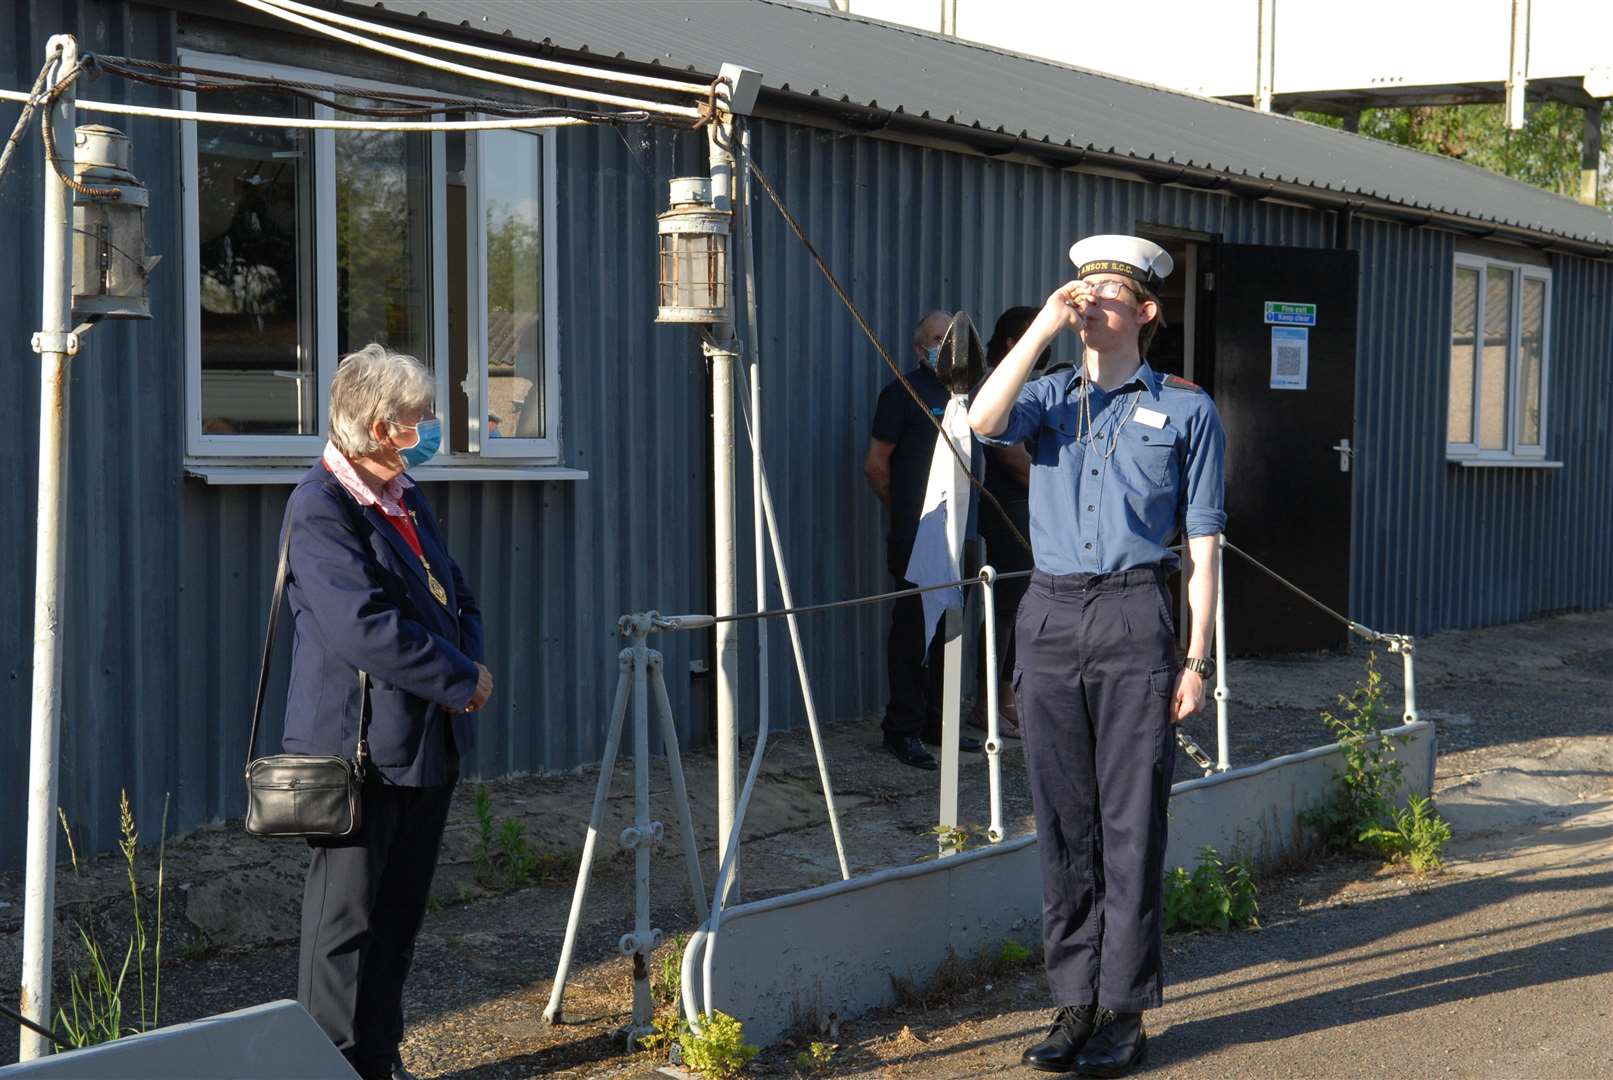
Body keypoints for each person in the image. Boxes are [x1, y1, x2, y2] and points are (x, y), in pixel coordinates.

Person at [968, 236, 1226, 1077]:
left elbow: (1202, 544)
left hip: (1132, 617)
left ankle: (1122, 1011)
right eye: (1082, 290)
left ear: (1145, 312)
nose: (1092, 303)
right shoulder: (1047, 394)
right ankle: (1072, 1002)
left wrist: (1195, 661)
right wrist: (1042, 323)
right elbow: (980, 421)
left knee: (1128, 824)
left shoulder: (1186, 411)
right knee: (1062, 821)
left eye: (1109, 292)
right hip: (1048, 612)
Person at [280, 343, 493, 1080]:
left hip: (425, 738)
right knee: (346, 927)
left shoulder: (405, 496)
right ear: (378, 425)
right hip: (356, 750)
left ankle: (378, 1058)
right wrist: (456, 677)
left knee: (399, 916)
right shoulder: (321, 505)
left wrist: (465, 668)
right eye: (419, 417)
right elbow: (360, 626)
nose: (430, 427)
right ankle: (327, 1066)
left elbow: (457, 593)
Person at [864, 309, 984, 769]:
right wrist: (908, 518)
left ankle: (940, 724)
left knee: (951, 630)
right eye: (936, 339)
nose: (944, 347)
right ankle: (903, 729)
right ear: (920, 348)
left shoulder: (976, 395)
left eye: (952, 339)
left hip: (965, 535)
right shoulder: (901, 392)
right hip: (919, 536)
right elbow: (876, 465)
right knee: (915, 632)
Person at [972, 306, 1053, 740]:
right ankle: (988, 704)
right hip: (1009, 510)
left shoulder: (1031, 384)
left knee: (1022, 608)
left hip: (1031, 509)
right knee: (1005, 609)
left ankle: (1007, 695)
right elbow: (1011, 455)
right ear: (1011, 343)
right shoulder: (998, 386)